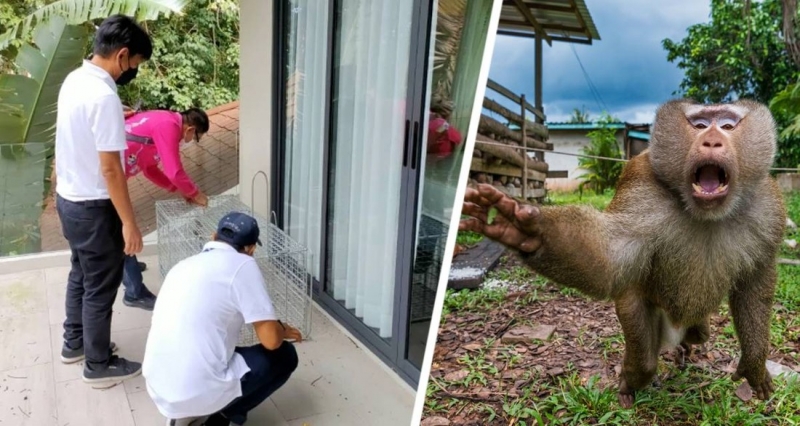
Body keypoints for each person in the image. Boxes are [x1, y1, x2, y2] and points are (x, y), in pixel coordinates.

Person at [54, 14, 150, 383]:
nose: (132, 72)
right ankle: (98, 365)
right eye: (135, 64)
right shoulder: (103, 95)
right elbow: (112, 170)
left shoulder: (74, 80)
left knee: (80, 274)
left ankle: (73, 343)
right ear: (123, 55)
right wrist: (129, 222)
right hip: (94, 208)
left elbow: (76, 132)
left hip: (69, 200)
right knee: (100, 287)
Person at [143, 212, 303, 426]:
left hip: (158, 383)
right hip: (195, 390)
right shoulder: (243, 264)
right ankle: (225, 417)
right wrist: (282, 329)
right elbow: (271, 340)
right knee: (285, 356)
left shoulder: (182, 265)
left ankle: (183, 414)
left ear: (213, 236)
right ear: (251, 249)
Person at [119, 107, 211, 311]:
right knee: (119, 231)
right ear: (190, 129)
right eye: (195, 137)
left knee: (119, 230)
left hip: (115, 176)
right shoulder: (168, 126)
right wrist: (196, 194)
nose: (190, 141)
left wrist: (177, 189)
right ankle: (134, 292)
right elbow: (174, 170)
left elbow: (150, 169)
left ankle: (128, 266)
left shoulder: (165, 121)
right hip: (106, 179)